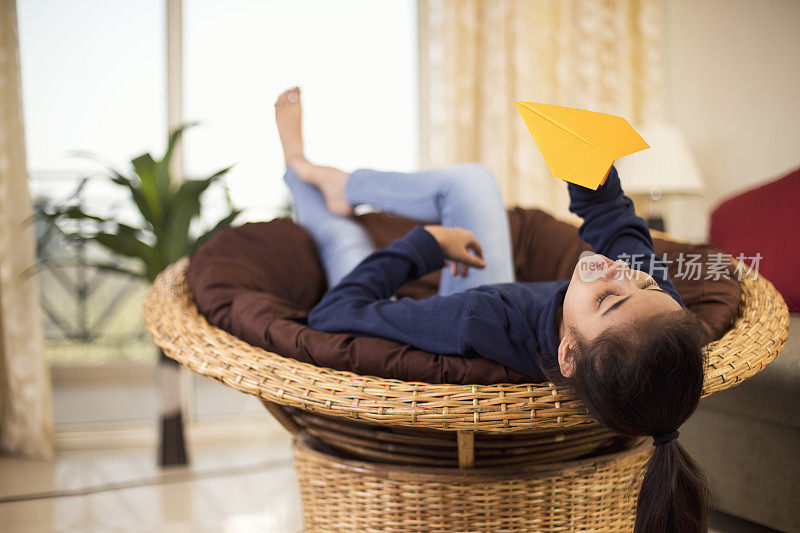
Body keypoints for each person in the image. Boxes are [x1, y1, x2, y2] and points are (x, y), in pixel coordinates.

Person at [275, 86, 713, 532]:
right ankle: (344, 184)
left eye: (607, 298)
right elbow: (617, 225)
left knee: (344, 239)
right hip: (506, 292)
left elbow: (335, 314)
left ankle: (297, 164)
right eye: (643, 280)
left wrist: (424, 245)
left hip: (428, 303)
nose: (620, 270)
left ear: (568, 355)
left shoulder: (479, 321)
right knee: (472, 182)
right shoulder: (655, 312)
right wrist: (589, 162)